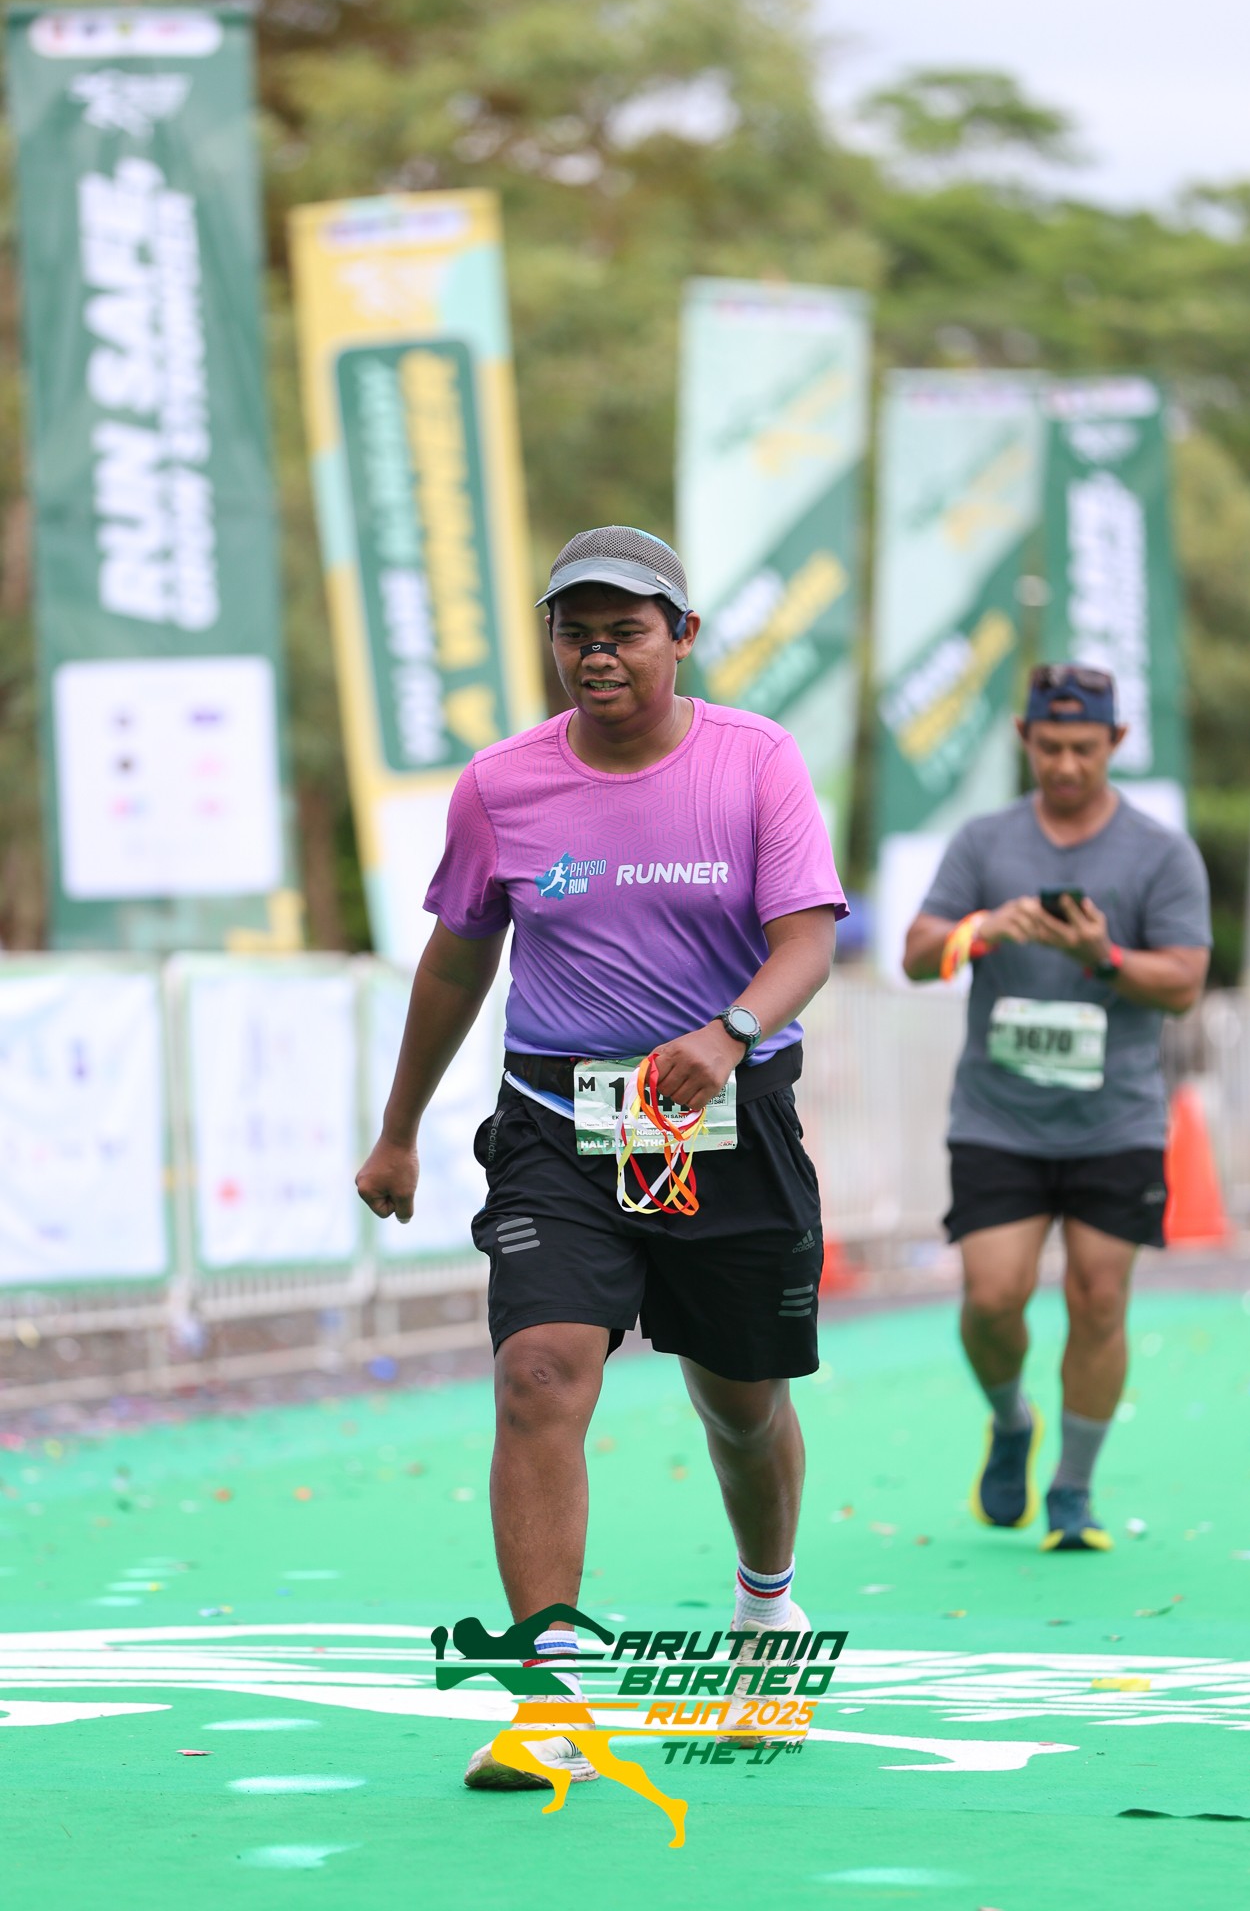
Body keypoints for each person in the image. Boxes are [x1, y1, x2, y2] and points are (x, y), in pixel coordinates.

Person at [356, 526, 845, 1786]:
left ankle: (764, 1604)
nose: (596, 655)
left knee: (740, 1403)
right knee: (537, 1374)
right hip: (558, 1130)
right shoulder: (499, 787)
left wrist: (728, 1033)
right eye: (572, 633)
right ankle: (548, 1701)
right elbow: (457, 960)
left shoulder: (755, 761)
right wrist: (399, 1128)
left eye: (624, 631)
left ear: (681, 638)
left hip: (723, 1122)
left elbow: (805, 940)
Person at [903, 664, 1211, 1552]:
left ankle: (1073, 1488)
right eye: (1049, 747)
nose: (1066, 764)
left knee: (1098, 1299)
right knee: (992, 1299)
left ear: (1116, 742)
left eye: (1083, 747)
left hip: (1116, 1120)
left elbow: (1185, 983)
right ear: (1024, 741)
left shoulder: (1159, 853)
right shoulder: (984, 842)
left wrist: (1104, 956)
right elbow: (918, 953)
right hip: (997, 1118)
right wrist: (983, 929)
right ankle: (1011, 1421)